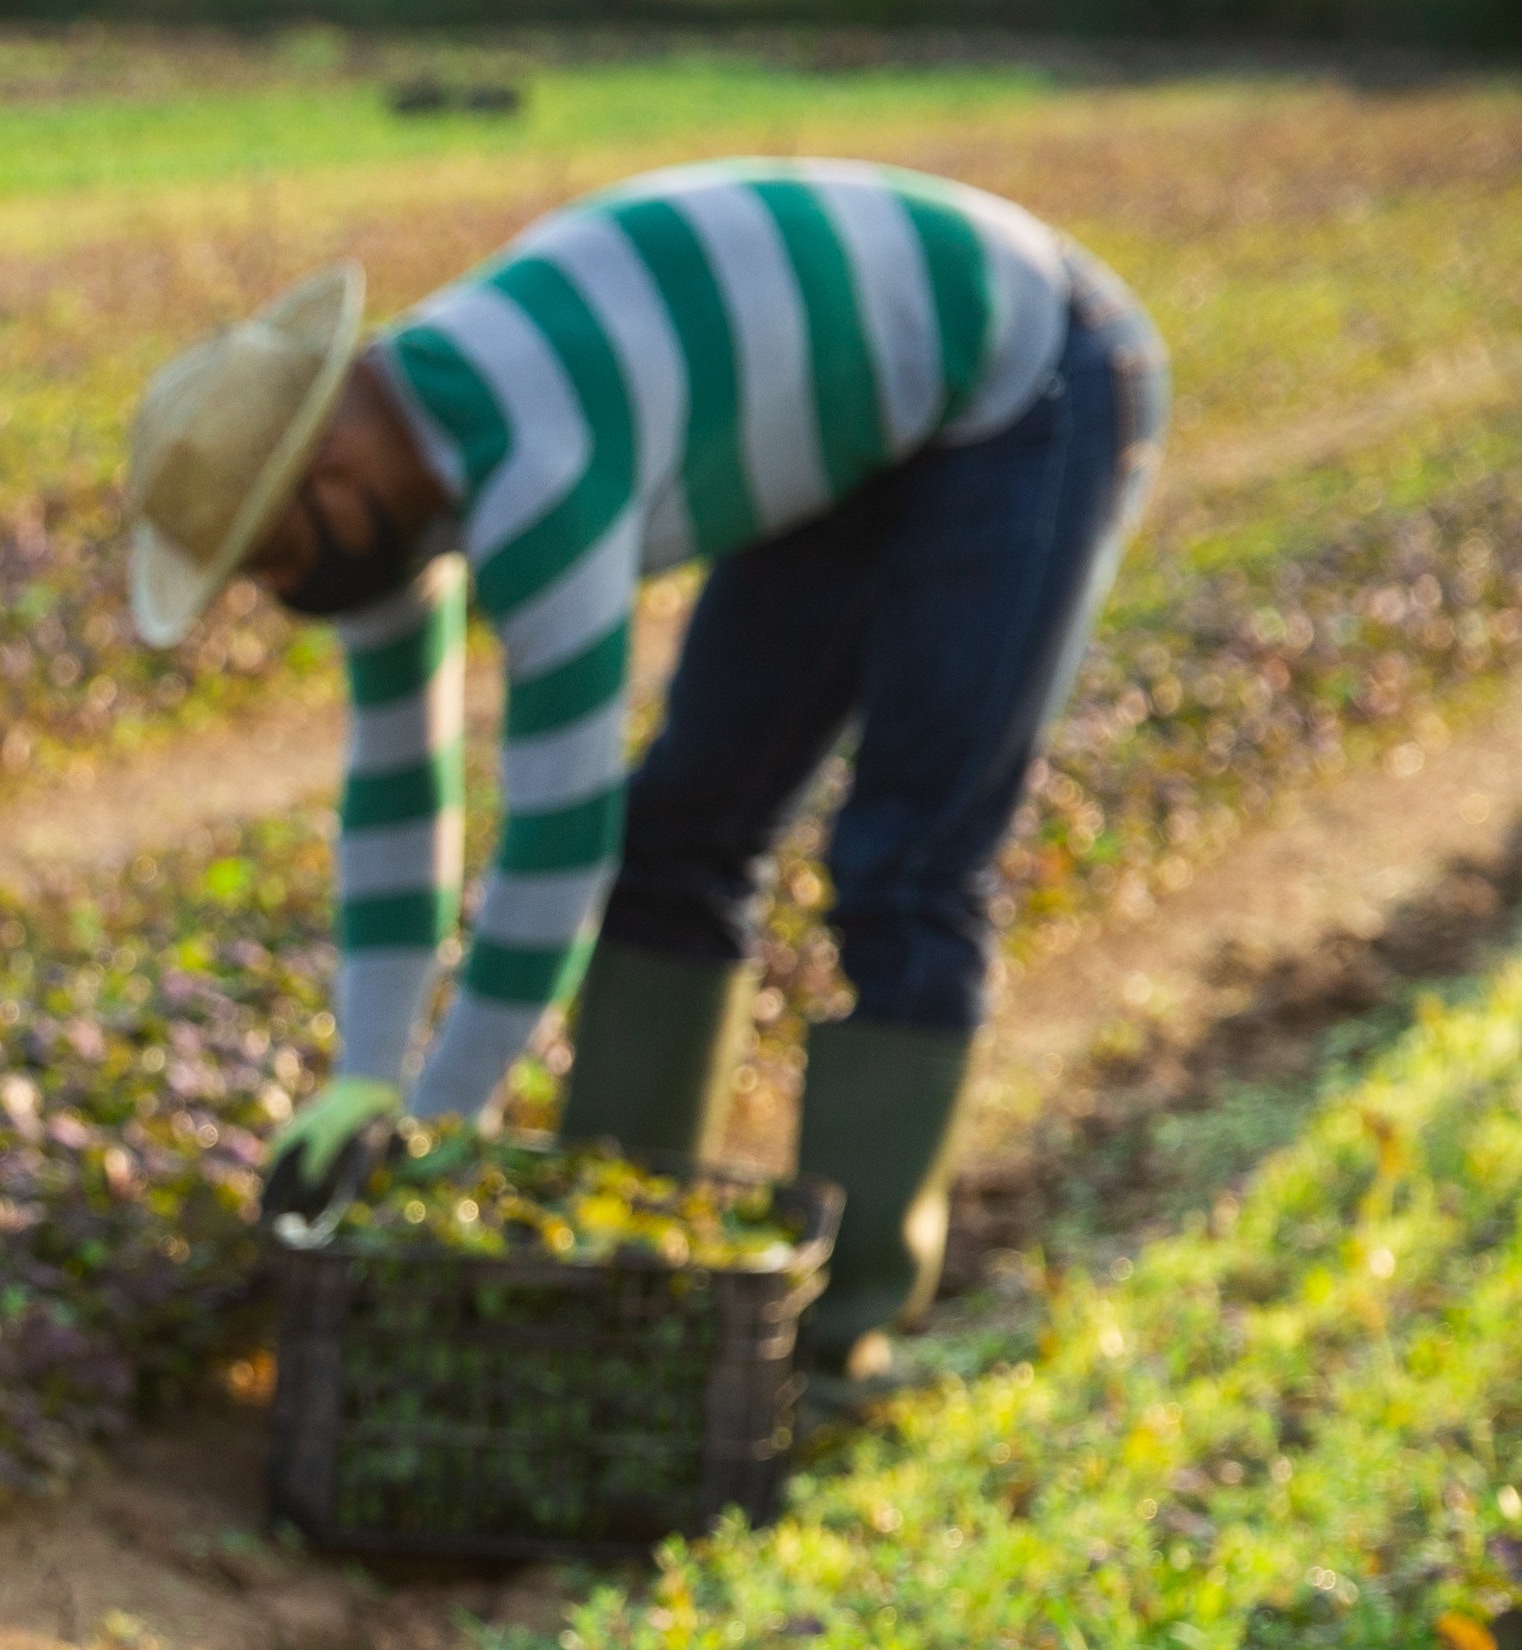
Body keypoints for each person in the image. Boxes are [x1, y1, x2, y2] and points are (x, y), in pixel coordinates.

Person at [122, 163, 1167, 1374]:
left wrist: (446, 1122)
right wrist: (365, 1079)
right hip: (859, 409)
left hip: (1025, 377)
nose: (283, 597)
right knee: (681, 837)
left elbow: (559, 832)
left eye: (272, 562)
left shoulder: (536, 465)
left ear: (332, 472)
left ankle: (847, 1331)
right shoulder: (387, 484)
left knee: (907, 861)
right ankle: (622, 1262)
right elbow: (397, 790)